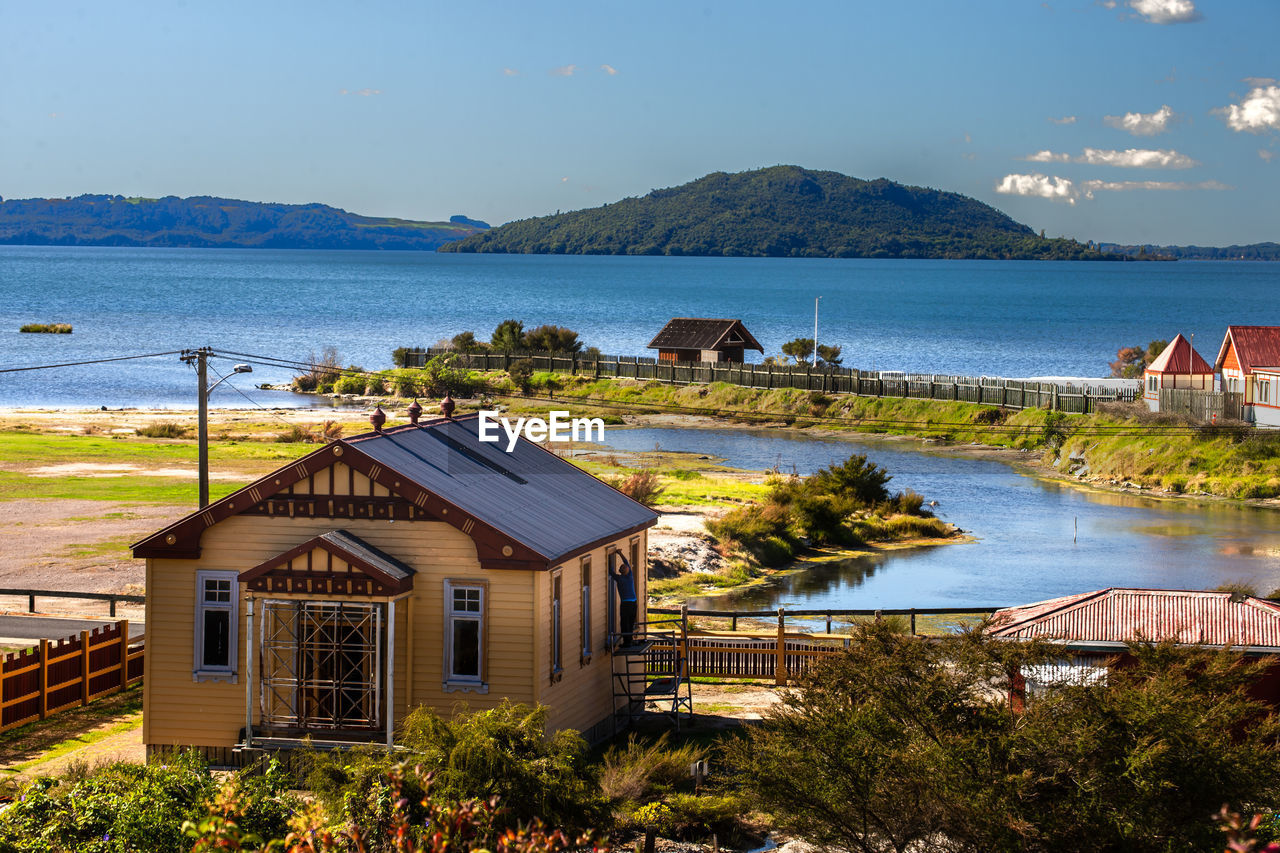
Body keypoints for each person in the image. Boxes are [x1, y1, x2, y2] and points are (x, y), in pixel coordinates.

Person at [609, 553, 638, 648]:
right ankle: (630, 640)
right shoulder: (630, 576)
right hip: (634, 603)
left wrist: (609, 559)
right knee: (630, 622)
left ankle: (627, 642)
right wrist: (620, 553)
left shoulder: (619, 578)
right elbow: (626, 562)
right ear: (627, 570)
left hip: (626, 604)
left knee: (624, 623)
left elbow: (611, 572)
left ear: (620, 571)